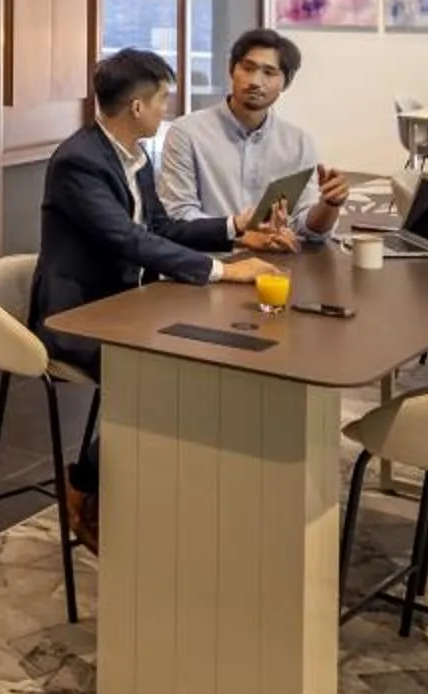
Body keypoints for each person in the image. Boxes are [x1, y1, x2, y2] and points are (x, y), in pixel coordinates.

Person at [30, 48, 284, 548]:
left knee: (201, 368)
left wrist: (236, 231)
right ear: (138, 108)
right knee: (164, 379)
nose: (168, 107)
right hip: (77, 318)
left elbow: (160, 227)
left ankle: (156, 487)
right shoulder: (78, 162)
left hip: (126, 306)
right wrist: (220, 273)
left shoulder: (134, 154)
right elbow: (128, 240)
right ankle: (86, 482)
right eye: (163, 97)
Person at [158, 27, 351, 243]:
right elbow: (178, 217)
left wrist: (330, 204)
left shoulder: (299, 143)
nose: (255, 82)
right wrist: (240, 236)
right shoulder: (187, 132)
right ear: (232, 70)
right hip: (208, 263)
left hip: (275, 265)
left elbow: (307, 229)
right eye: (248, 68)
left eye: (269, 73)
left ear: (286, 83)